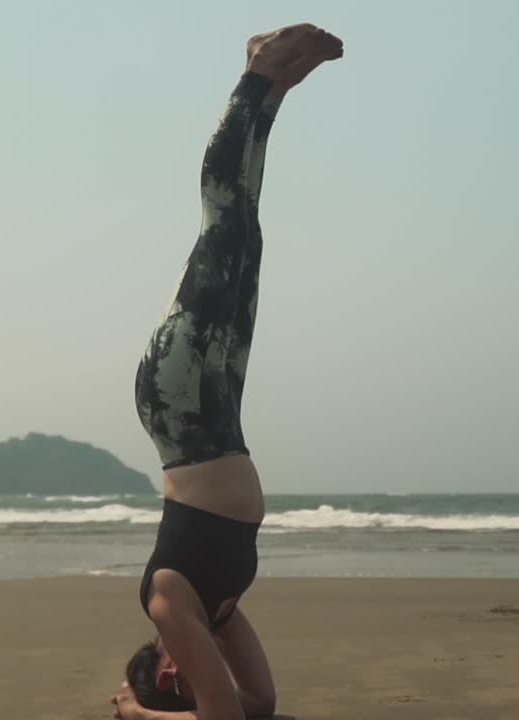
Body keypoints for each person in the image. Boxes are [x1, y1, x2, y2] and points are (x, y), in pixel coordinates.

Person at [111, 23, 344, 720]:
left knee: (223, 230)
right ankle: (268, 90)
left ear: (163, 655)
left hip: (180, 405)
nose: (190, 672)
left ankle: (256, 76)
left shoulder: (166, 599)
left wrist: (140, 714)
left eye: (172, 674)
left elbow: (222, 715)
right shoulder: (217, 610)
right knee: (246, 234)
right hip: (217, 414)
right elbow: (258, 705)